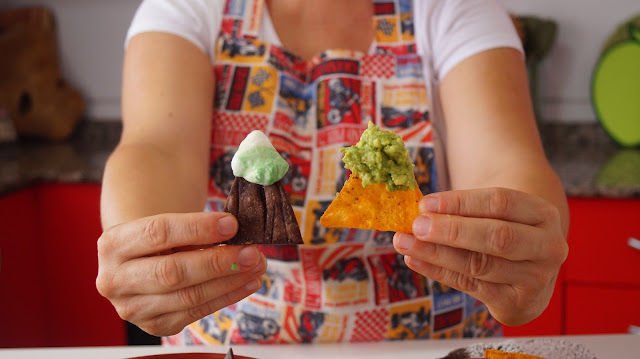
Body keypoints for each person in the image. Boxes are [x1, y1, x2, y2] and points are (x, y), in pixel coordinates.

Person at [97, 0, 569, 345]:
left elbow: (505, 159)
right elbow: (154, 147)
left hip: (438, 345)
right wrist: (144, 249)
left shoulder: (451, 9)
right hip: (231, 344)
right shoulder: (188, 8)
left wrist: (521, 246)